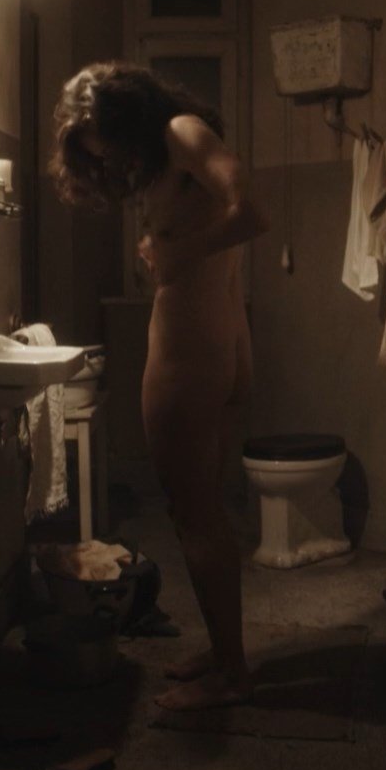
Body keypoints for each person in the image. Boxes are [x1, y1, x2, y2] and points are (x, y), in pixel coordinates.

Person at [50, 62, 269, 710]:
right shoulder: (175, 147)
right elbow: (218, 230)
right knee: (204, 512)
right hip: (219, 343)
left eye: (108, 146)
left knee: (191, 512)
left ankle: (230, 675)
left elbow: (253, 210)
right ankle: (224, 652)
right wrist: (173, 246)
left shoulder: (180, 132)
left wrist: (177, 252)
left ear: (129, 119)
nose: (110, 162)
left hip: (190, 354)